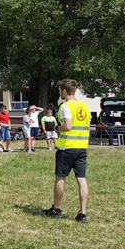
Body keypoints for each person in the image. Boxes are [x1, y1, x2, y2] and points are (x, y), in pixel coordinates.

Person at [44, 79, 91, 223]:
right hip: (82, 147)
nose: (59, 93)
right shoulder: (84, 107)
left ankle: (57, 208)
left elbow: (68, 126)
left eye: (60, 90)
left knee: (60, 178)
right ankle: (83, 213)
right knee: (81, 179)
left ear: (64, 91)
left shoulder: (65, 106)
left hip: (66, 148)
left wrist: (57, 128)